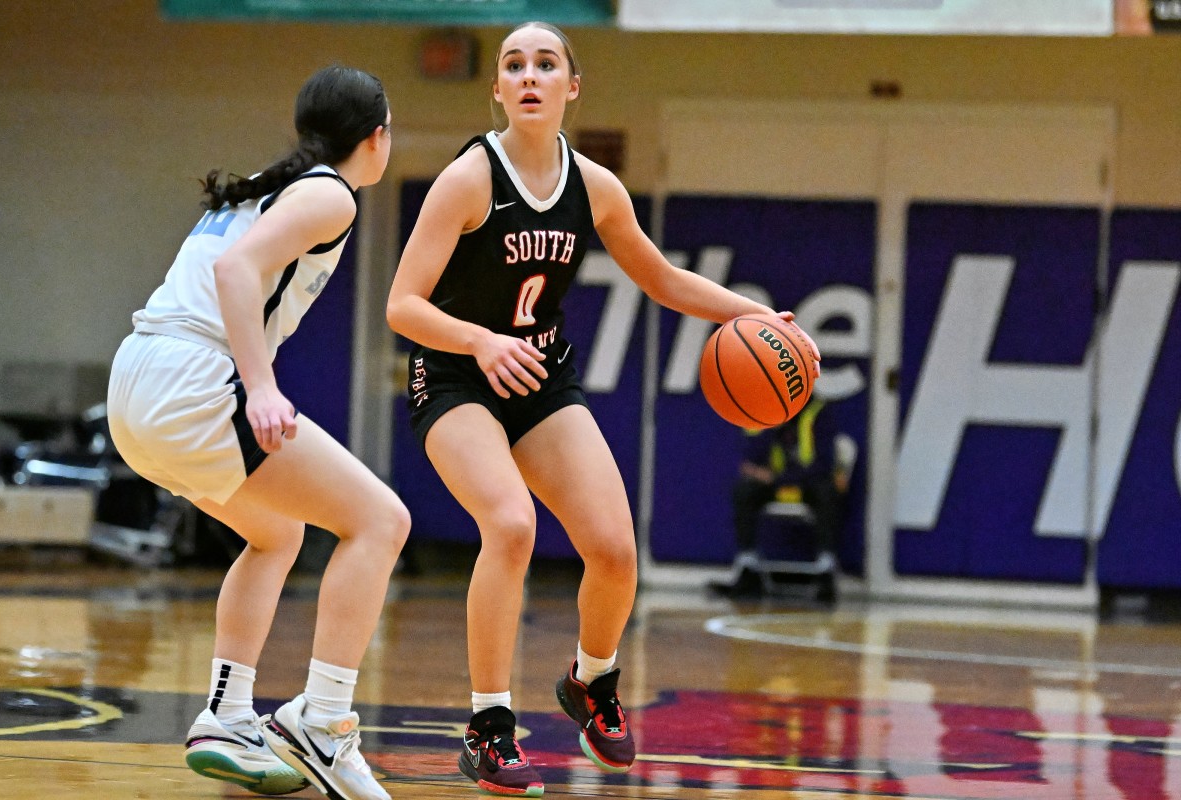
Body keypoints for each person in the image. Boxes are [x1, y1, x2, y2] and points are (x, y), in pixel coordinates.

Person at [386, 21, 820, 797]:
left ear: (571, 87)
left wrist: (758, 318)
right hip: (456, 374)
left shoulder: (595, 186)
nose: (528, 75)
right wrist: (481, 343)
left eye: (545, 64)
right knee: (512, 525)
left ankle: (591, 683)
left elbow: (664, 278)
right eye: (513, 65)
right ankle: (489, 728)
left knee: (616, 551)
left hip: (542, 378)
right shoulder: (469, 178)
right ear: (497, 90)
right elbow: (402, 305)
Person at [107, 65, 408, 800]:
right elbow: (238, 270)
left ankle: (226, 715)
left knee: (277, 533)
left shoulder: (270, 183)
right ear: (375, 138)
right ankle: (325, 722)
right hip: (189, 380)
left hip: (136, 382)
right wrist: (262, 386)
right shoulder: (329, 194)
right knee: (380, 521)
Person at [710, 394, 849, 601]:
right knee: (744, 490)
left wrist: (780, 478)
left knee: (827, 491)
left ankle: (825, 571)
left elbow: (824, 465)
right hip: (776, 483)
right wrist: (772, 427)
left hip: (806, 483)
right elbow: (751, 460)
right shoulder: (766, 410)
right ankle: (748, 569)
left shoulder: (818, 411)